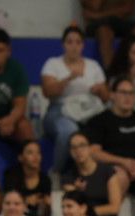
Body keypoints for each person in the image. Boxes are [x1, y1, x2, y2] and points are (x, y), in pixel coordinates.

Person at [40, 26, 109, 176]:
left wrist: (99, 89)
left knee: (108, 125)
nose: (74, 46)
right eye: (70, 42)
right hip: (59, 110)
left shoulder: (93, 66)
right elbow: (47, 92)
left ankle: (99, 175)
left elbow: (105, 97)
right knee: (68, 131)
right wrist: (69, 78)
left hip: (89, 109)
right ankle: (56, 173)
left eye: (78, 42)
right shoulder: (53, 63)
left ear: (83, 45)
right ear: (63, 44)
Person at [86, 77, 135, 200]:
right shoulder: (99, 121)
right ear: (112, 95)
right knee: (119, 176)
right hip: (114, 167)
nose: (128, 97)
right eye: (123, 92)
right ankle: (112, 211)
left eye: (132, 93)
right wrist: (123, 162)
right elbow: (94, 153)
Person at [61, 132, 127, 216]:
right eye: (74, 147)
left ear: (90, 148)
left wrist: (89, 212)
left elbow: (115, 207)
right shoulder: (68, 176)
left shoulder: (107, 171)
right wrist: (77, 191)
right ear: (70, 151)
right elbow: (73, 207)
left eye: (82, 145)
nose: (78, 150)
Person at [80, 0, 135, 70]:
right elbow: (95, 6)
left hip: (120, 21)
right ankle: (112, 73)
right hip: (98, 23)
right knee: (104, 32)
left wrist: (98, 15)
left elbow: (128, 9)